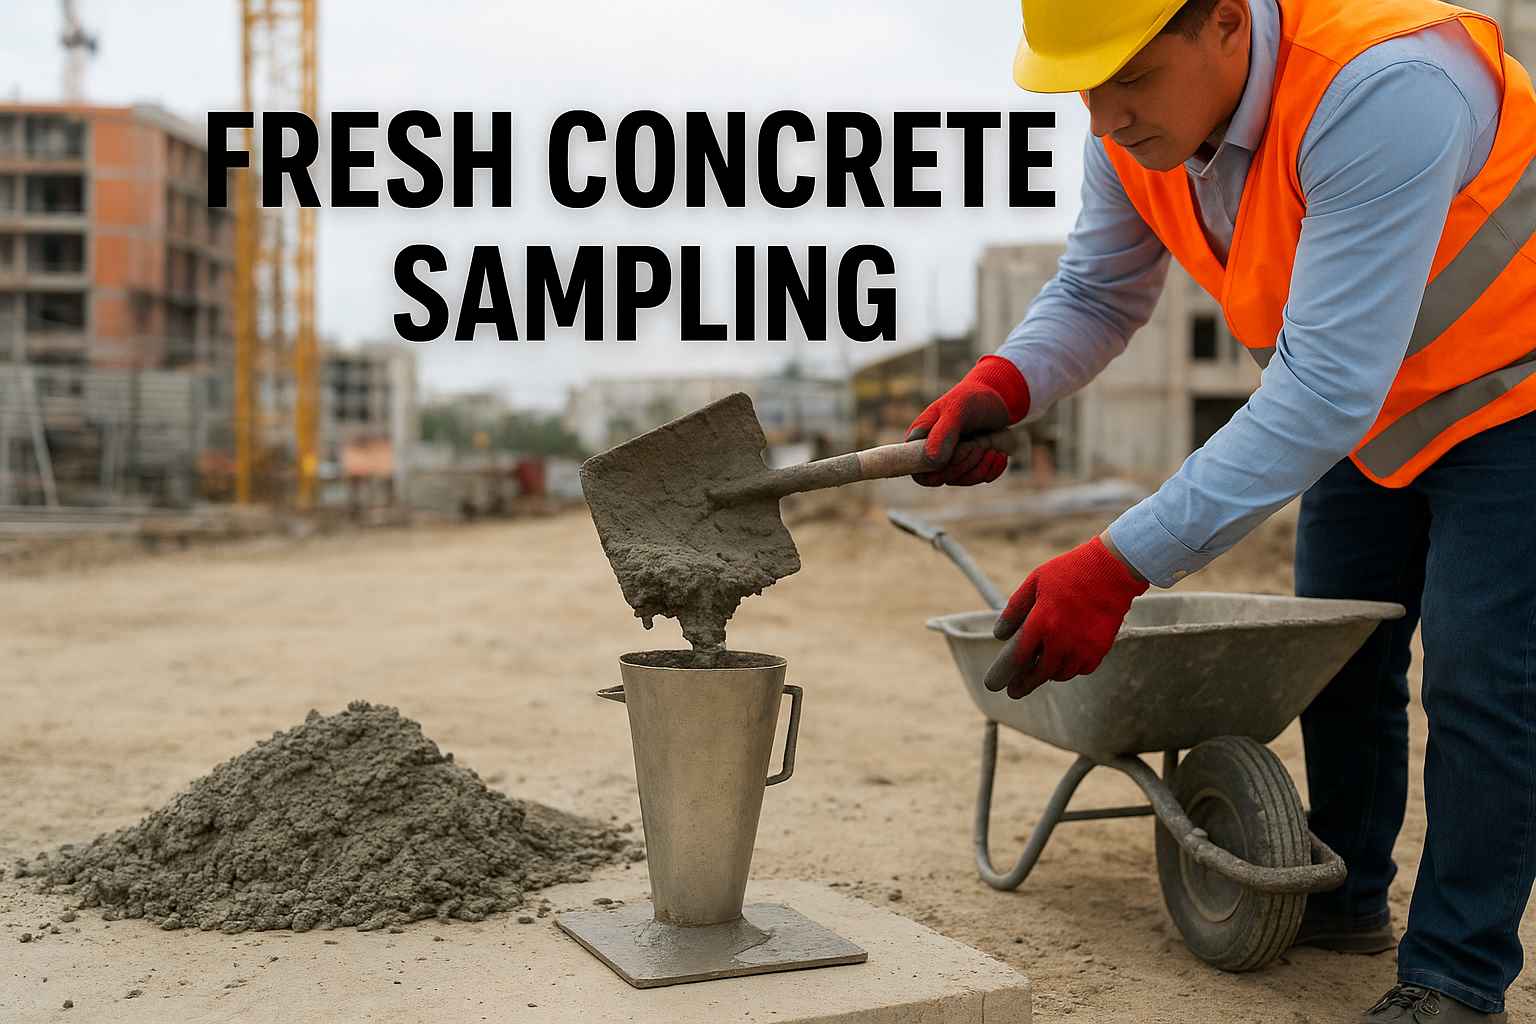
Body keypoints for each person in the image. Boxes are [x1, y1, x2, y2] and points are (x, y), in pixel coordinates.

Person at [908, 0, 1536, 1019]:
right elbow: (1100, 292)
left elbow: (1326, 386)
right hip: (1369, 415)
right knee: (1340, 660)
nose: (1108, 116)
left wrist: (1116, 564)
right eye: (1086, 87)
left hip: (1517, 394)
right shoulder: (1136, 130)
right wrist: (1004, 383)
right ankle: (1345, 897)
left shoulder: (1380, 84)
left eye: (1133, 77)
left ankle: (1457, 976)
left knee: (1482, 678)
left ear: (1227, 25)